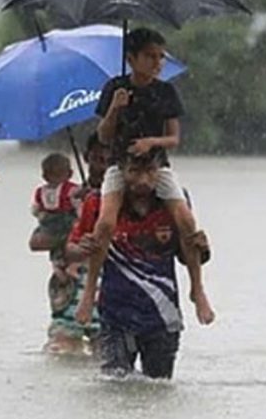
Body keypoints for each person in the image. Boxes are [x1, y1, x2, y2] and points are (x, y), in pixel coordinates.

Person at [76, 27, 214, 326]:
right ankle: (89, 293)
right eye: (150, 57)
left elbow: (174, 139)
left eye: (160, 57)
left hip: (156, 166)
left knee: (187, 221)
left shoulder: (165, 92)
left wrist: (152, 142)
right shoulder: (115, 87)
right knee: (105, 223)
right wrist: (115, 109)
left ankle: (198, 289)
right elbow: (103, 135)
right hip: (120, 164)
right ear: (132, 58)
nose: (157, 63)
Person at [79, 151, 213, 379]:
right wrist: (84, 253)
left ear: (160, 172)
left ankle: (197, 293)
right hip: (115, 314)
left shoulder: (174, 203)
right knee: (113, 386)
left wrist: (203, 250)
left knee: (157, 389)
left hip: (161, 315)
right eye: (134, 172)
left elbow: (184, 254)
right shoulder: (101, 204)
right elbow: (74, 249)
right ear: (121, 172)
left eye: (150, 171)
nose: (142, 180)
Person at [29, 134, 109, 354]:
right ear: (86, 158)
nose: (102, 166)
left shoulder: (120, 198)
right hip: (68, 287)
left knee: (104, 351)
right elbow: (36, 242)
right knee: (61, 348)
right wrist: (73, 232)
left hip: (108, 289)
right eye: (97, 159)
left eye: (108, 160)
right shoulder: (71, 197)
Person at [30, 153, 83, 285]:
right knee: (71, 243)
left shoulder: (40, 191)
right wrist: (81, 217)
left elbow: (35, 208)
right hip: (66, 222)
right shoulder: (71, 189)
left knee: (57, 248)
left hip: (48, 224)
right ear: (70, 173)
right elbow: (79, 205)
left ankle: (58, 266)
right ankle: (72, 265)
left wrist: (40, 215)